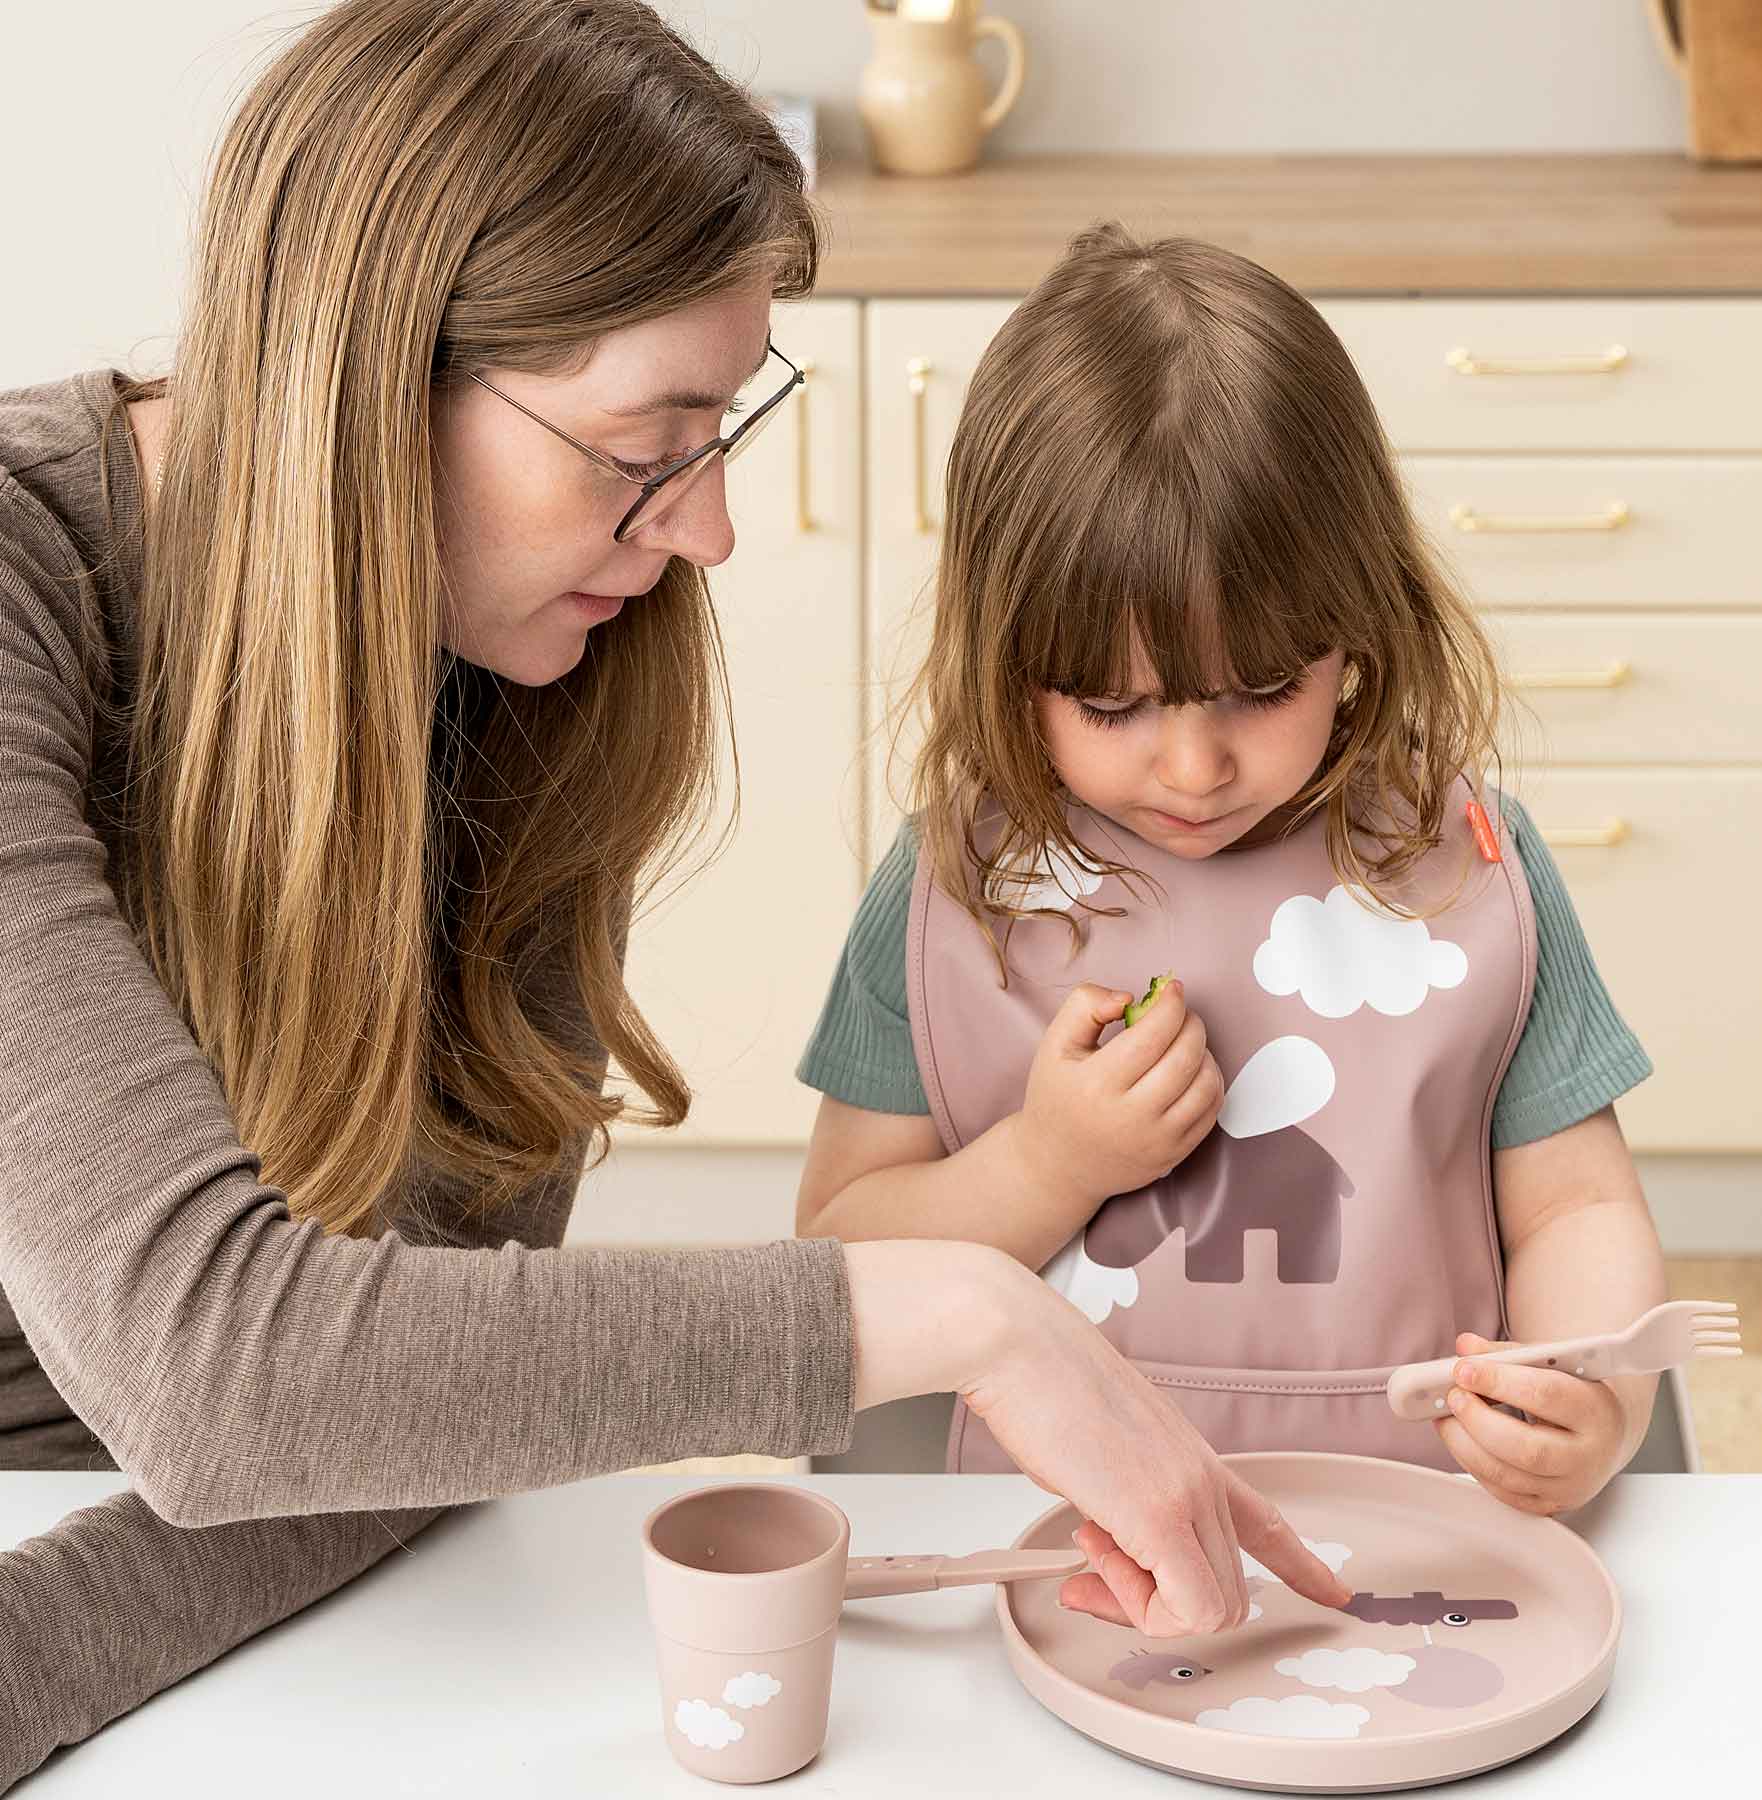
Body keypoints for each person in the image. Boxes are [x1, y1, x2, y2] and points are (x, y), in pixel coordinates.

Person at [0, 4, 1349, 1785]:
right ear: (372, 368)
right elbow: (232, 1370)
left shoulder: (526, 668)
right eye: (648, 443)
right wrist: (959, 1310)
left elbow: (406, 1400)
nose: (705, 528)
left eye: (727, 425)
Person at [794, 223, 1669, 1627]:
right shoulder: (952, 892)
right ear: (1006, 657)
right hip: (1057, 1561)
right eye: (1112, 704)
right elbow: (838, 1254)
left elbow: (1577, 1205)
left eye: (1258, 687)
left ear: (1358, 629)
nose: (1192, 768)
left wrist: (1596, 1391)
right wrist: (1048, 1161)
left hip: (1415, 1541)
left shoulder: (1466, 867)